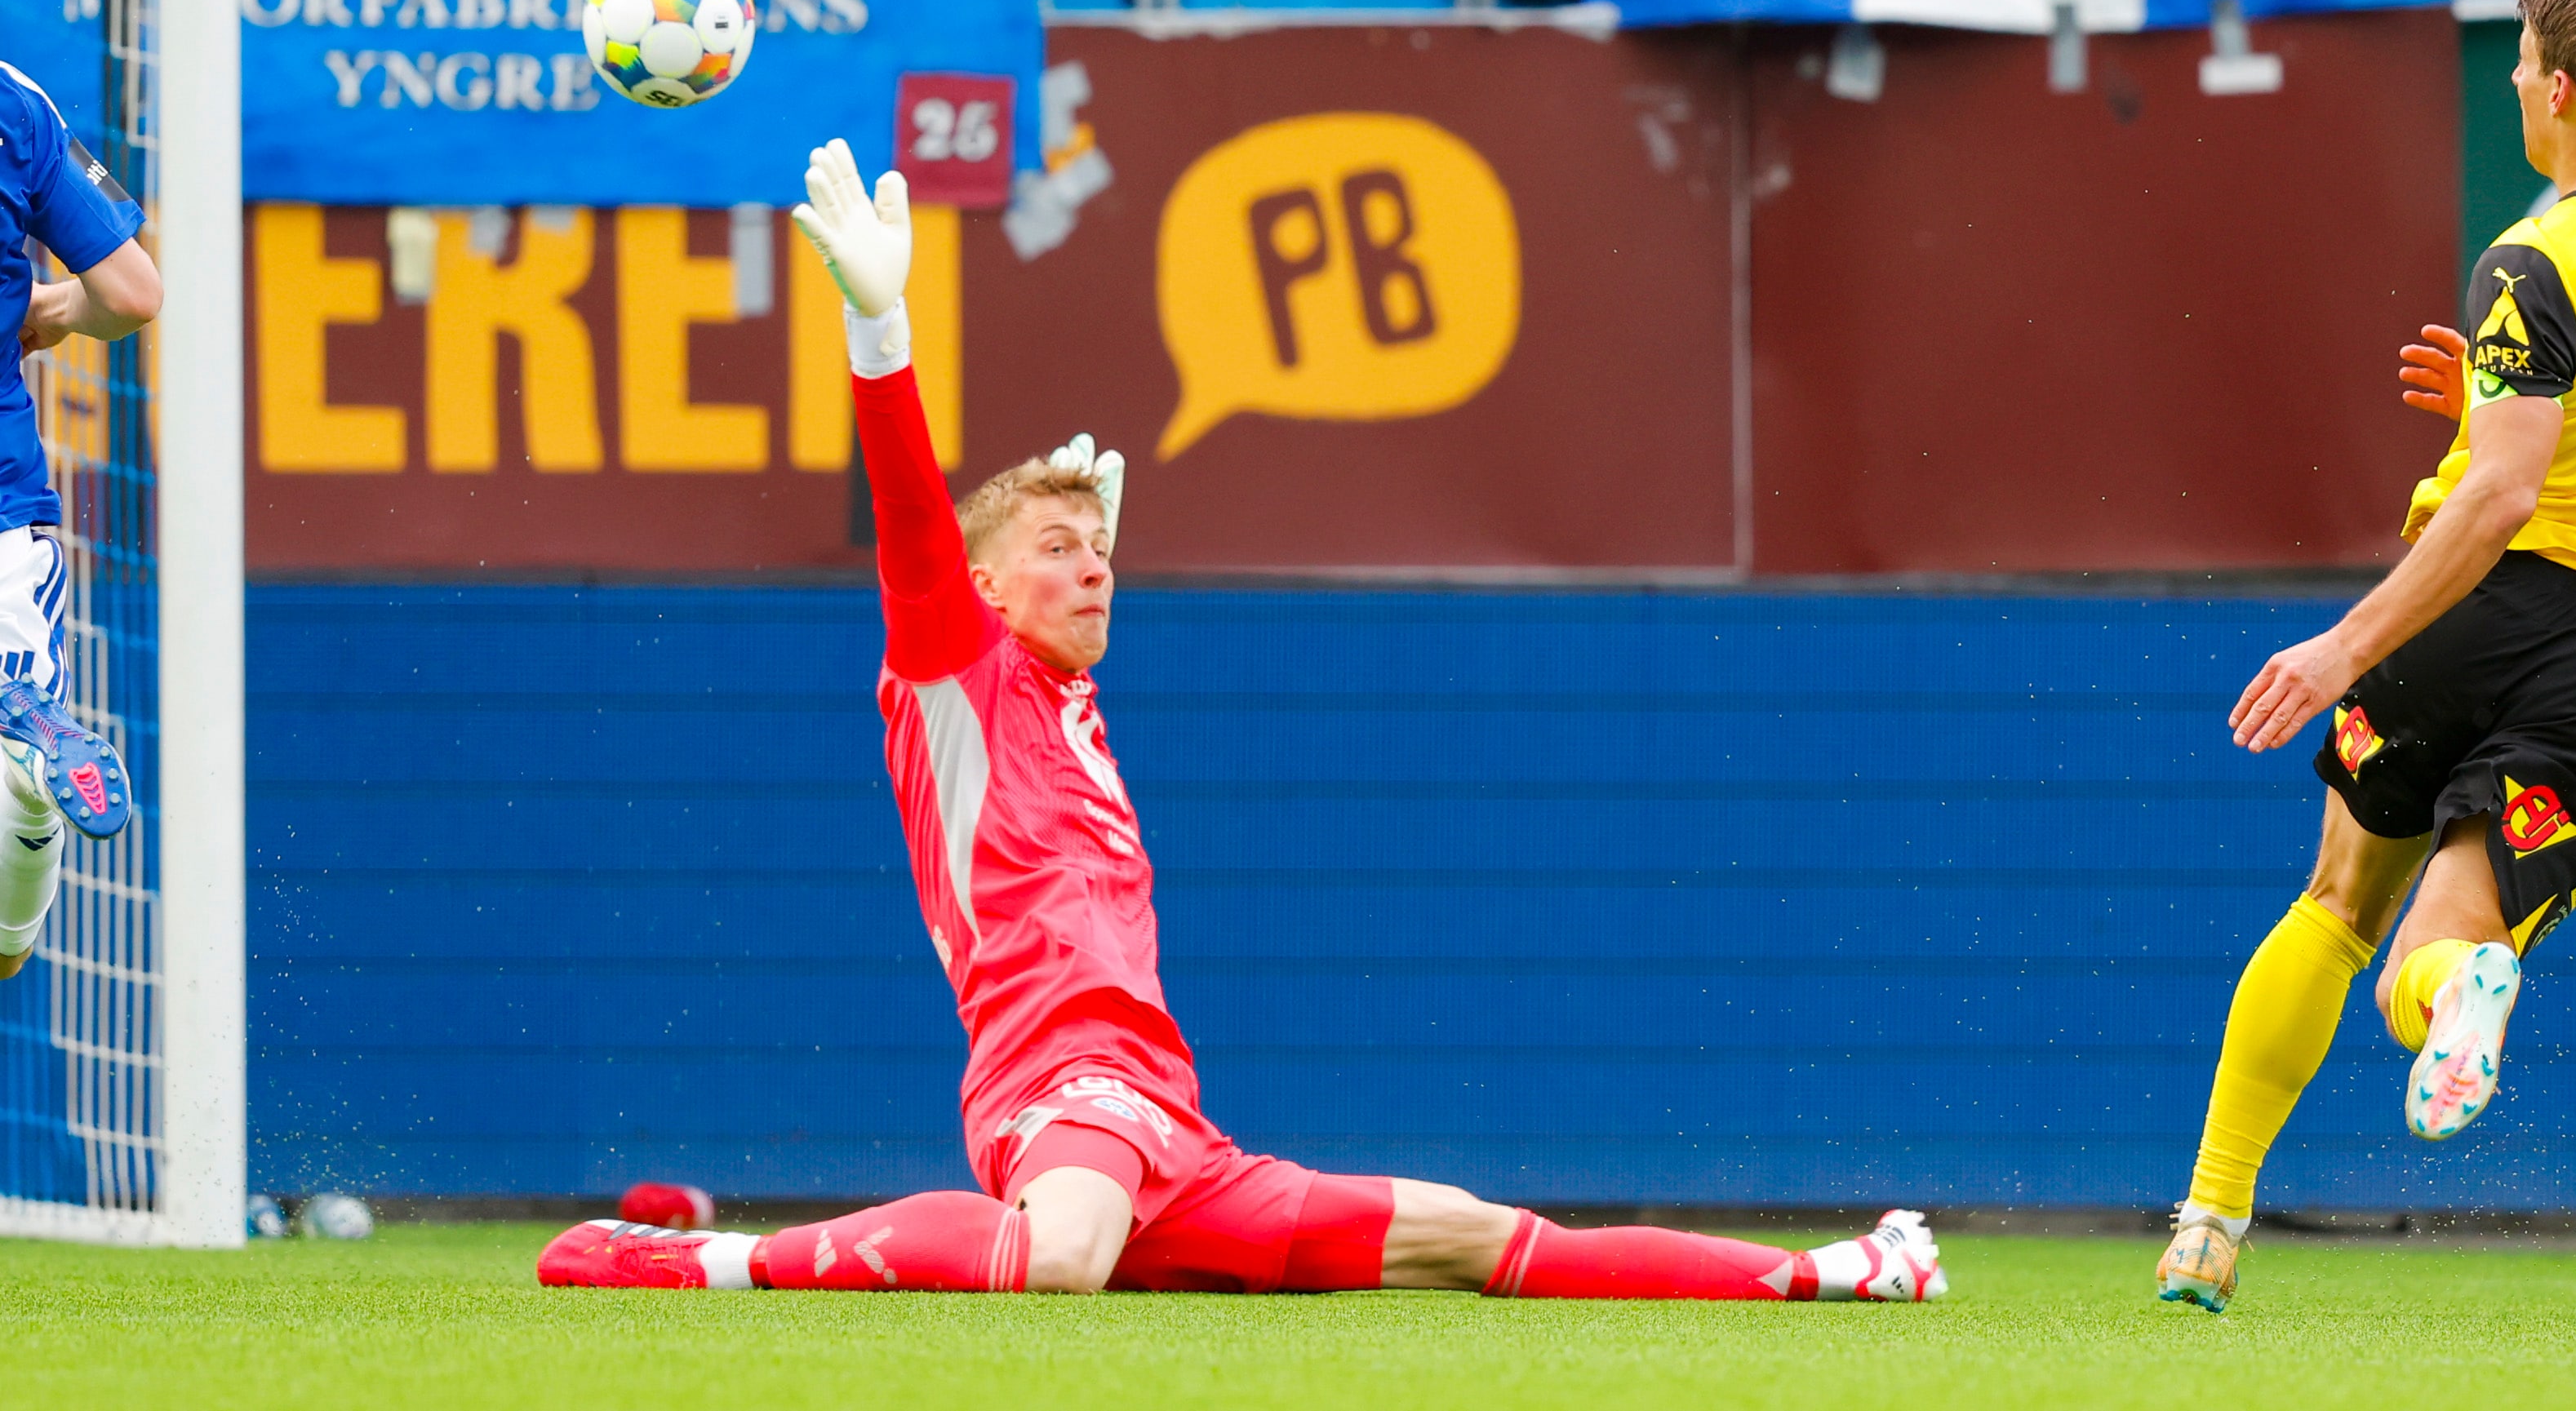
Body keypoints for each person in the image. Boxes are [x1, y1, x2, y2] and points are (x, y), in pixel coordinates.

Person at [540, 138, 1947, 1303]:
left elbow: (1062, 647)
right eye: (1056, 545)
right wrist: (879, 329)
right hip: (1056, 1081)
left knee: (1481, 1234)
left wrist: (1071, 557)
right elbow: (915, 522)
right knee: (1060, 1262)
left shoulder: (1064, 701)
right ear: (977, 586)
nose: (1093, 563)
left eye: (1102, 547)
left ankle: (1821, 1271)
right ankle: (698, 1256)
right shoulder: (949, 665)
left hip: (1174, 1124)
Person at [2155, 0, 2576, 1312]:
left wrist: (2343, 642)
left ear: (2559, 91)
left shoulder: (2535, 254)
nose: (2510, 79)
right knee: (2423, 970)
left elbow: (2504, 494)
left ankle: (2208, 1221)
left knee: (2333, 906)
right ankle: (2469, 980)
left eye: (2517, 61)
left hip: (2479, 621)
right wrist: (2496, 394)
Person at [0, 60, 162, 980]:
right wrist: (54, 304)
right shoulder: (17, 105)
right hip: (4, 513)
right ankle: (28, 763)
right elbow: (135, 294)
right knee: (6, 954)